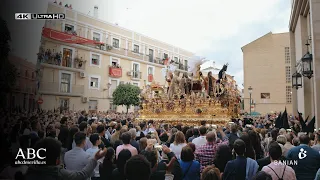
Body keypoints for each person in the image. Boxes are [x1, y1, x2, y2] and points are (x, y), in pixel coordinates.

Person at [25, 137, 106, 180]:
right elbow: (82, 174)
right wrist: (95, 158)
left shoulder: (28, 172)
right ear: (56, 159)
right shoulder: (58, 174)